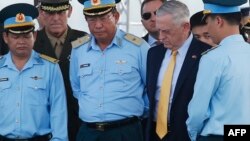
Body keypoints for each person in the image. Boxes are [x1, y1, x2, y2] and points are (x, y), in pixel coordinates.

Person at [70, 0, 150, 141]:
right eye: (92, 19)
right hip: (89, 132)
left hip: (125, 131)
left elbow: (151, 88)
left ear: (116, 17)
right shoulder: (78, 50)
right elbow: (77, 89)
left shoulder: (138, 48)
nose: (98, 25)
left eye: (103, 18)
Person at [0, 3, 68, 141]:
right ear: (5, 37)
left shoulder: (50, 68)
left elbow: (58, 112)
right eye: (15, 36)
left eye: (26, 36)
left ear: (35, 36)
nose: (21, 41)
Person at [146, 1, 211, 141]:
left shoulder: (206, 55)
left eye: (166, 31)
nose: (161, 37)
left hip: (188, 135)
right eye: (159, 30)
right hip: (154, 134)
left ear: (185, 27)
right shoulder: (153, 54)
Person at [186, 0, 250, 141]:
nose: (207, 29)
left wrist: (193, 133)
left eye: (208, 22)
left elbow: (198, 111)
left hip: (217, 136)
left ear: (219, 21)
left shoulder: (213, 58)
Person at [33, 0, 88, 141]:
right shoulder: (31, 42)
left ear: (69, 11)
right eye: (50, 12)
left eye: (60, 12)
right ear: (41, 13)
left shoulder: (85, 41)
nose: (56, 18)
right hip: (41, 125)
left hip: (79, 123)